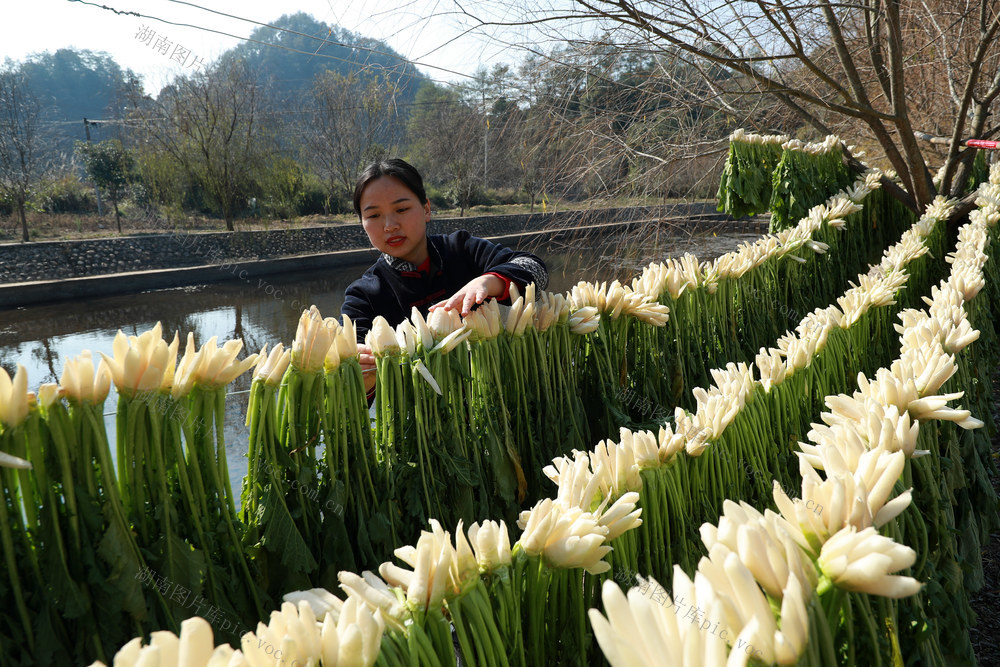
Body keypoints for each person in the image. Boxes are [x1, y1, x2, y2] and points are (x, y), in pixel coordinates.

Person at [341, 158, 549, 398]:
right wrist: (360, 374)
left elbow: (536, 269)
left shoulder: (461, 249)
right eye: (374, 215)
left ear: (426, 209)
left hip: (496, 402)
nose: (389, 225)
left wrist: (487, 282)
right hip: (420, 427)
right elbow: (353, 368)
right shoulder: (363, 295)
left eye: (401, 209)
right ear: (362, 224)